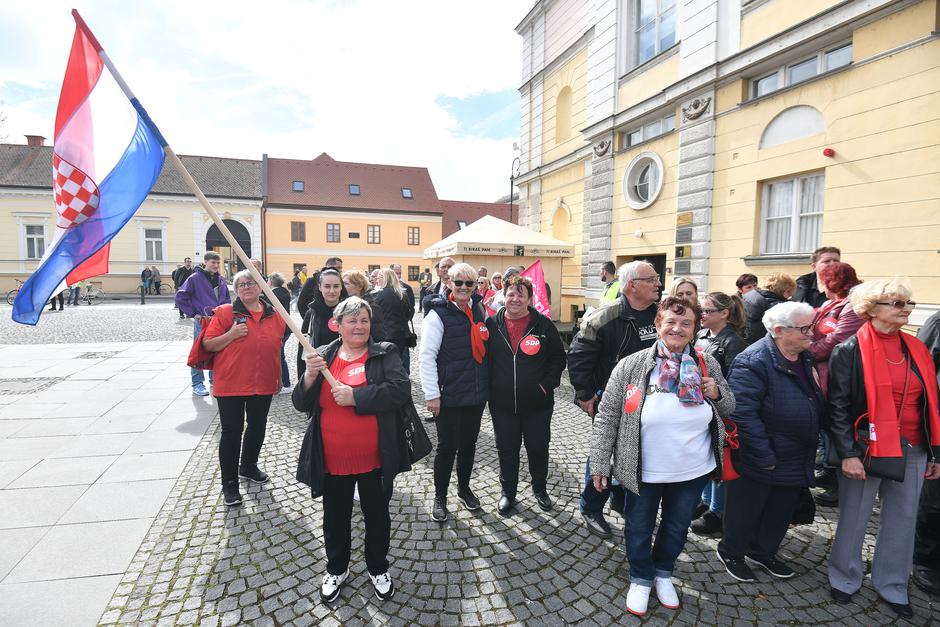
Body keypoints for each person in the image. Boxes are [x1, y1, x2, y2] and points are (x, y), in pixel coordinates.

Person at [590, 296, 732, 616]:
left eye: (686, 323)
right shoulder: (631, 365)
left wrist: (717, 393)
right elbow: (608, 416)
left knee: (676, 527)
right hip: (644, 469)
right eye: (670, 322)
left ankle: (663, 572)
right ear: (658, 325)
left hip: (692, 468)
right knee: (638, 527)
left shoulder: (707, 363)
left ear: (695, 328)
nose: (677, 329)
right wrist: (599, 463)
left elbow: (729, 407)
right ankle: (641, 577)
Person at [826, 278, 940, 619]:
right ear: (871, 309)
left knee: (903, 520)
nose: (907, 309)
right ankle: (844, 577)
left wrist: (935, 453)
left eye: (908, 303)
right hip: (866, 448)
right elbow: (837, 407)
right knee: (854, 516)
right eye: (898, 303)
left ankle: (892, 584)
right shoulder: (849, 350)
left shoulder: (916, 348)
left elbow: (931, 404)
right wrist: (848, 454)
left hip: (914, 447)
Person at [292, 296, 411, 603]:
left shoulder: (384, 353)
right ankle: (336, 568)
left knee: (377, 516)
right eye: (352, 320)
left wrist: (356, 397)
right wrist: (310, 376)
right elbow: (300, 403)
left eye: (364, 320)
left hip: (375, 458)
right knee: (334, 517)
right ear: (338, 325)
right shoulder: (323, 355)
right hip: (332, 458)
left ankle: (378, 568)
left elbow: (400, 390)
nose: (359, 326)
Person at [716, 302, 825, 583]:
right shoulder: (753, 360)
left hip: (795, 453)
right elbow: (742, 413)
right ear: (778, 330)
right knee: (745, 509)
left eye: (812, 326)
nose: (813, 333)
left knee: (780, 510)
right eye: (805, 328)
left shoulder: (805, 356)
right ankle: (732, 552)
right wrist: (764, 455)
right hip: (762, 454)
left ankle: (763, 551)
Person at [568, 261, 661, 539]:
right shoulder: (605, 316)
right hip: (613, 403)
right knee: (603, 454)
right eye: (652, 279)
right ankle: (591, 507)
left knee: (637, 454)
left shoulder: (659, 314)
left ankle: (620, 500)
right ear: (632, 285)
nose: (658, 283)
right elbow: (578, 356)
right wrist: (585, 394)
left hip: (651, 403)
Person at [202, 269, 286, 507]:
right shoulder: (226, 313)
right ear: (236, 289)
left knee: (258, 426)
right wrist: (231, 334)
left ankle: (248, 466)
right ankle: (229, 484)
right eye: (242, 284)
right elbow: (208, 344)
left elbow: (276, 349)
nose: (247, 287)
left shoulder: (275, 315)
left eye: (251, 283)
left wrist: (278, 377)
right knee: (232, 432)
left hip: (264, 381)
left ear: (261, 287)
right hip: (232, 383)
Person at [486, 275, 566, 515]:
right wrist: (490, 387)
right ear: (504, 296)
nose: (515, 299)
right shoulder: (492, 324)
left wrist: (546, 385)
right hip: (502, 404)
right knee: (506, 449)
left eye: (521, 294)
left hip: (538, 404)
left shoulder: (543, 325)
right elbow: (483, 358)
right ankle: (507, 493)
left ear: (530, 298)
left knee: (538, 448)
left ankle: (540, 489)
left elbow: (558, 358)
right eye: (511, 293)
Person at [419, 262, 489, 522]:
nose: (463, 287)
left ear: (475, 286)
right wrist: (432, 394)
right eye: (458, 282)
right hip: (448, 393)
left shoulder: (479, 310)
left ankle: (464, 489)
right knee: (447, 447)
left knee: (469, 445)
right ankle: (440, 497)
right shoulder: (437, 314)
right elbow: (426, 356)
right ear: (449, 283)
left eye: (469, 283)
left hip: (474, 392)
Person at [690, 291, 747, 536]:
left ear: (724, 313)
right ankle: (705, 501)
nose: (701, 314)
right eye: (701, 310)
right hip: (702, 408)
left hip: (721, 409)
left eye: (707, 310)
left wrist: (721, 399)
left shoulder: (733, 343)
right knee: (706, 456)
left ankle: (718, 511)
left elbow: (736, 382)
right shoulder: (701, 335)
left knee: (720, 459)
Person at [808, 262, 863, 506]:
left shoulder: (852, 306)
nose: (818, 283)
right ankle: (831, 473)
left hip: (837, 374)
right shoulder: (831, 303)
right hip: (822, 373)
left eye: (821, 278)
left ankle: (840, 486)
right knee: (827, 428)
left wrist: (807, 350)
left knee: (837, 425)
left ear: (831, 281)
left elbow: (839, 338)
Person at [176, 252, 231, 396]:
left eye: (218, 263)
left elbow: (226, 299)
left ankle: (215, 379)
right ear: (205, 262)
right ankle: (197, 383)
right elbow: (181, 297)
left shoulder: (220, 279)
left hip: (218, 321)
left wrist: (226, 314)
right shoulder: (195, 278)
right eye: (213, 262)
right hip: (203, 321)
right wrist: (194, 314)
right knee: (199, 351)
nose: (216, 265)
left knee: (217, 350)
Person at [914, 310, 940, 595]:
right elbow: (922, 374)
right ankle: (926, 559)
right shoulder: (938, 323)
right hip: (937, 424)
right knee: (935, 501)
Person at [296, 268, 347, 380]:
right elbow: (303, 347)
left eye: (336, 286)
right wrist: (303, 379)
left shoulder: (349, 311)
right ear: (320, 287)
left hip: (344, 370)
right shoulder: (312, 313)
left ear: (341, 287)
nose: (332, 291)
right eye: (327, 286)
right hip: (319, 371)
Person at [372, 269, 414, 374]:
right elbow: (409, 313)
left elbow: (374, 314)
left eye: (379, 277)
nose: (377, 280)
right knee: (398, 361)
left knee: (386, 364)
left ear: (384, 279)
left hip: (385, 334)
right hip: (401, 334)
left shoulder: (379, 294)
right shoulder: (402, 294)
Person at [742, 272, 795, 345]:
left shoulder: (747, 297)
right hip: (768, 346)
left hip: (746, 343)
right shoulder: (780, 308)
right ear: (787, 292)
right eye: (791, 294)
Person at [343, 270, 386, 341]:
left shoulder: (372, 308)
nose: (342, 287)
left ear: (359, 286)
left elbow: (378, 335)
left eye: (346, 284)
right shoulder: (342, 306)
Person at [268, 272, 293, 393]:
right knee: (279, 356)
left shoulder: (273, 295)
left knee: (280, 356)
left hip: (279, 328)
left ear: (271, 282)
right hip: (286, 328)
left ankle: (286, 383)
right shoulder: (284, 292)